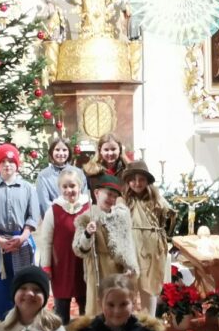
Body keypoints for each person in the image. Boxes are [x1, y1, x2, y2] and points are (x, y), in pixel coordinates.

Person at [0, 143, 40, 321]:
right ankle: (2, 320)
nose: (7, 165)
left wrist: (22, 237)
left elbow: (32, 216)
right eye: (3, 161)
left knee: (23, 281)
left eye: (11, 161)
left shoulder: (28, 188)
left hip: (22, 240)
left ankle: (26, 315)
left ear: (17, 165)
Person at [73, 176, 138, 317]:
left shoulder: (120, 217)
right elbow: (79, 249)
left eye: (115, 196)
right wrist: (87, 234)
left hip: (116, 268)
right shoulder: (86, 218)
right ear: (97, 193)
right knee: (98, 306)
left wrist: (129, 265)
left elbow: (127, 244)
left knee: (117, 302)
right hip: (97, 268)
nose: (111, 199)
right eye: (108, 194)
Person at [35, 166, 90, 323]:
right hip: (61, 266)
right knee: (61, 308)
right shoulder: (53, 210)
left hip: (82, 264)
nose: (69, 190)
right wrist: (46, 265)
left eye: (72, 186)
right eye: (64, 186)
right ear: (59, 188)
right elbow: (46, 240)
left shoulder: (88, 207)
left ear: (79, 186)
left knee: (85, 305)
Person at [121, 159, 172, 317]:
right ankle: (127, 323)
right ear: (128, 181)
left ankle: (148, 320)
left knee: (148, 286)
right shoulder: (124, 200)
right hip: (131, 248)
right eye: (133, 179)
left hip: (151, 250)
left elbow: (168, 216)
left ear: (147, 181)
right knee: (129, 287)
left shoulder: (156, 199)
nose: (137, 183)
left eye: (141, 179)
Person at [35, 136, 86, 211]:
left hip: (77, 216)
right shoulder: (43, 176)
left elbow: (84, 197)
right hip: (54, 217)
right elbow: (44, 202)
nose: (61, 153)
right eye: (57, 150)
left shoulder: (78, 173)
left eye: (64, 150)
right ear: (52, 151)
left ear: (69, 152)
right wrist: (60, 214)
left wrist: (74, 212)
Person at [82, 132, 126, 196]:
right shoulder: (90, 171)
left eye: (113, 149)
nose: (110, 153)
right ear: (100, 151)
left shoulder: (126, 170)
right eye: (106, 150)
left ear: (120, 150)